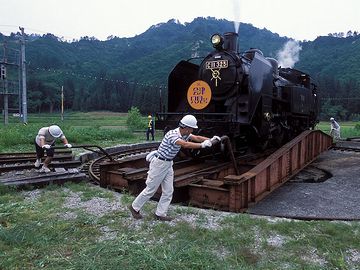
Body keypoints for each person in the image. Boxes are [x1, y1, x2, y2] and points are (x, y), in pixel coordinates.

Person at [129, 114, 221, 221]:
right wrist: (202, 146)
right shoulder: (173, 135)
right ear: (186, 128)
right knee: (151, 189)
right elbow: (185, 145)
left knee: (168, 190)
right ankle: (134, 207)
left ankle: (160, 213)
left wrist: (211, 139)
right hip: (159, 163)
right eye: (191, 128)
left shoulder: (185, 133)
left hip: (168, 164)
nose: (192, 130)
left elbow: (196, 138)